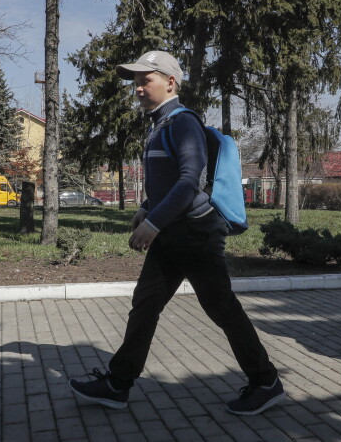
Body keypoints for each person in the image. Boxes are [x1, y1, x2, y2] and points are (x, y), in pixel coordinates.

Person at [69, 51, 286, 415]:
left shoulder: (183, 123)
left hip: (195, 233)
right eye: (135, 82)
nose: (138, 88)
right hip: (173, 233)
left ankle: (265, 381)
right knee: (146, 305)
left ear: (170, 82)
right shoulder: (158, 124)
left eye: (145, 80)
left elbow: (190, 182)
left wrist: (153, 223)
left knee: (221, 308)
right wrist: (146, 209)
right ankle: (117, 385)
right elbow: (165, 181)